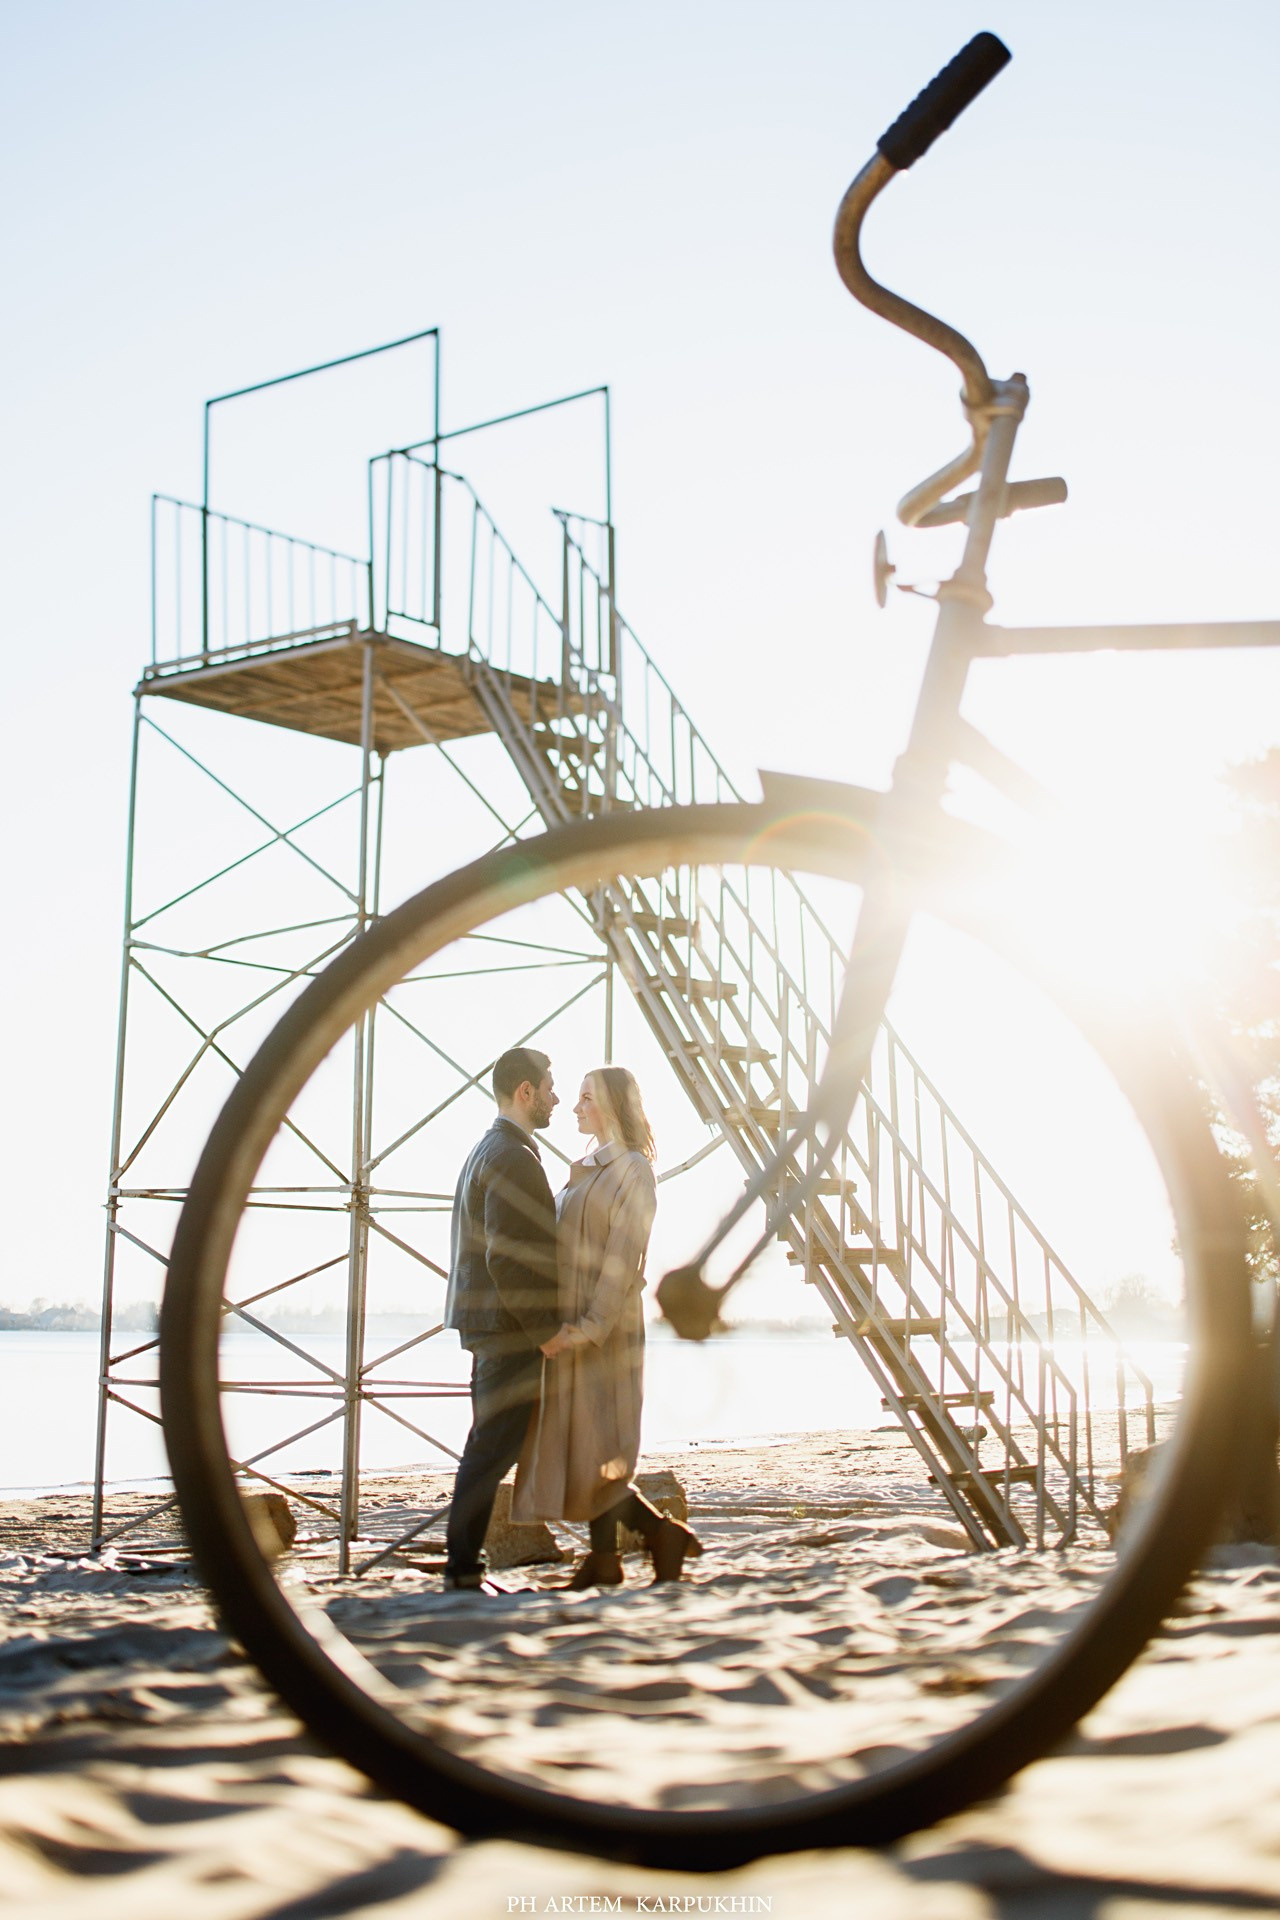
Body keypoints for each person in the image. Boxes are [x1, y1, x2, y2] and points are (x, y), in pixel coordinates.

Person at [513, 1066, 702, 1587]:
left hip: (608, 1324)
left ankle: (647, 1541)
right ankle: (613, 1556)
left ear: (615, 1106)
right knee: (587, 1446)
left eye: (586, 1098)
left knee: (601, 1443)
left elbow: (625, 1257)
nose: (575, 1107)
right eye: (574, 1098)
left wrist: (592, 1327)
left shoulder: (634, 1171)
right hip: (573, 1318)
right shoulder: (584, 1170)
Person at [442, 1045, 563, 1591]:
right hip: (507, 1326)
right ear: (526, 1092)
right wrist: (546, 1333)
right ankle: (463, 1567)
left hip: (490, 1321)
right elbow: (507, 1256)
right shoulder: (511, 1155)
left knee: (491, 1444)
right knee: (492, 1446)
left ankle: (465, 1563)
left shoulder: (485, 1148)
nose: (556, 1099)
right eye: (551, 1088)